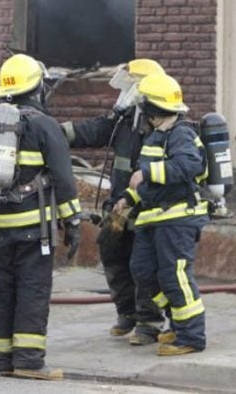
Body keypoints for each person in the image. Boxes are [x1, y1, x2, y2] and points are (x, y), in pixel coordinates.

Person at [0, 54, 82, 381]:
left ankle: (5, 360)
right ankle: (29, 362)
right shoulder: (45, 125)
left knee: (6, 292)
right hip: (36, 231)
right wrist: (72, 224)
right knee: (32, 291)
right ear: (37, 88)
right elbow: (64, 179)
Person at [60, 59, 166, 345]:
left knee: (143, 266)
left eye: (131, 86)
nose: (126, 92)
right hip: (120, 206)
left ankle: (149, 322)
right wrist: (55, 132)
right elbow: (94, 130)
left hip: (146, 209)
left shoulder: (161, 126)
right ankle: (127, 314)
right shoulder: (125, 120)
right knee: (112, 254)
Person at [116, 73, 209, 356]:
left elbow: (187, 167)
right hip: (152, 218)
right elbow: (146, 183)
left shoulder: (181, 133)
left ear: (154, 109)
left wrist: (146, 172)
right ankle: (178, 322)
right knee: (143, 272)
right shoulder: (157, 135)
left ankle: (191, 336)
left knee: (174, 275)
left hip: (177, 218)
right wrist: (127, 198)